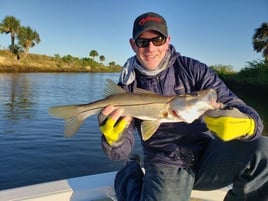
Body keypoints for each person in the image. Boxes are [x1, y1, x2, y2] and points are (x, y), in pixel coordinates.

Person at [98, 12, 268, 201]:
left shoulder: (194, 69)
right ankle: (128, 173)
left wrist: (248, 124)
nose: (151, 47)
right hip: (166, 162)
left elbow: (239, 107)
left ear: (168, 40)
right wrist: (113, 140)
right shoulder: (127, 87)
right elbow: (119, 152)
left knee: (264, 150)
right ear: (133, 44)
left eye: (158, 39)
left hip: (208, 154)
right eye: (142, 42)